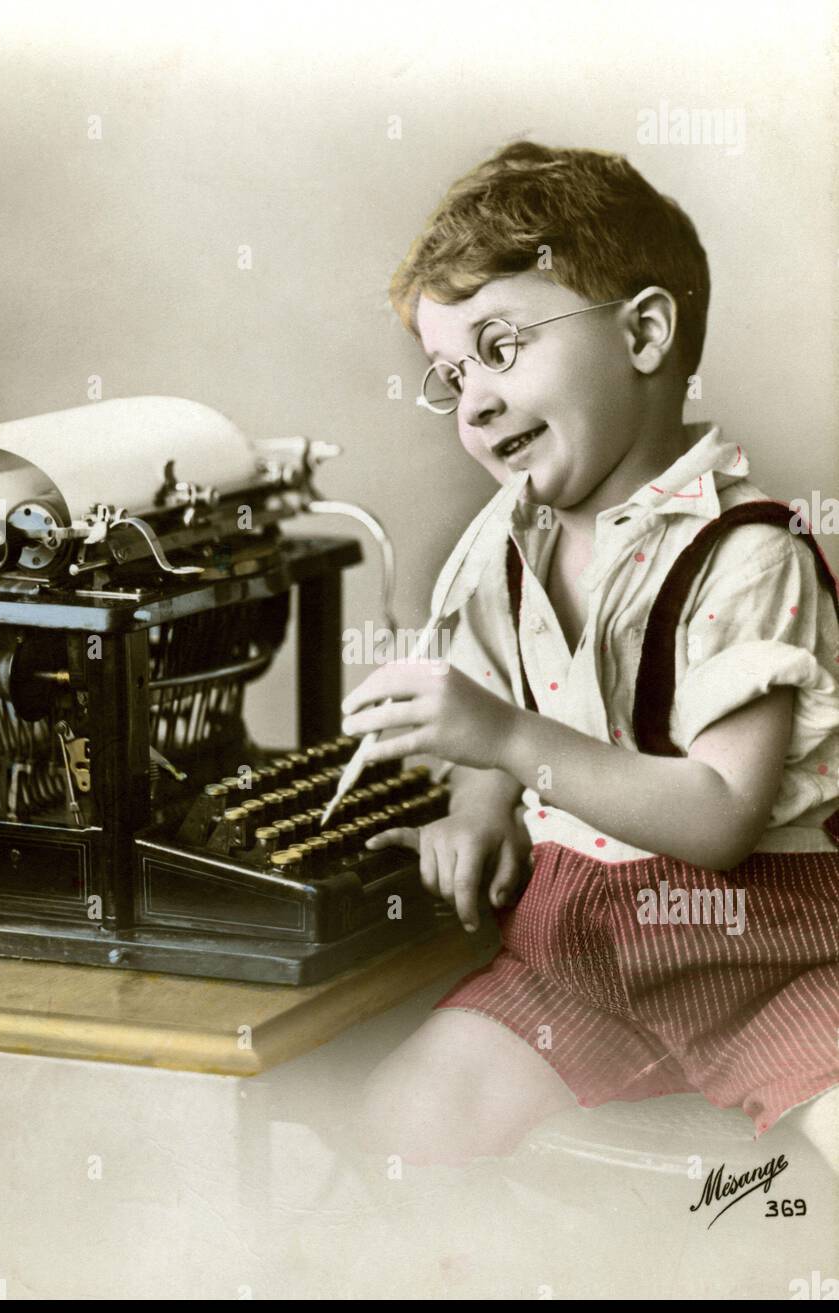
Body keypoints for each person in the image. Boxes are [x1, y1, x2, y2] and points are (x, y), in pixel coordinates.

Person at [341, 142, 839, 1170]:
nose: (472, 401)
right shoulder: (501, 542)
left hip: (773, 967)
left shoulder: (747, 557)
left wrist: (505, 741)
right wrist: (476, 807)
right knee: (401, 1121)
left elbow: (715, 816)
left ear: (645, 332)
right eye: (450, 372)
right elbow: (484, 701)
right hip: (576, 963)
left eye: (501, 344)